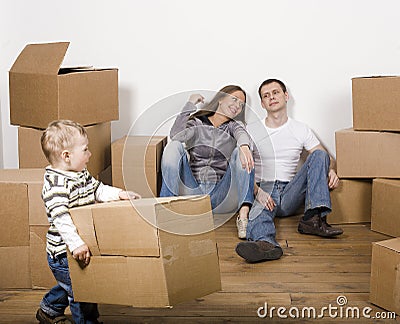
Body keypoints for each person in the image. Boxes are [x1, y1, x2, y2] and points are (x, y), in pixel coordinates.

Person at [36, 120, 141, 324]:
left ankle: (49, 308)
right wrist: (76, 244)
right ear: (67, 156)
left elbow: (98, 189)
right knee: (85, 291)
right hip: (64, 252)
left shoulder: (80, 174)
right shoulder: (56, 186)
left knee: (72, 284)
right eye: (85, 150)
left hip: (82, 244)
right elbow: (61, 219)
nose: (90, 154)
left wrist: (119, 194)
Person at [235, 79, 343, 263]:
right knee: (259, 214)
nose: (272, 98)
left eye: (275, 93)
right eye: (266, 96)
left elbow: (325, 157)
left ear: (286, 96)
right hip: (263, 189)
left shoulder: (300, 129)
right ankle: (265, 245)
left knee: (319, 156)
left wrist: (331, 170)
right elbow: (242, 166)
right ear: (262, 103)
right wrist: (256, 191)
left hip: (290, 192)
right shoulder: (252, 130)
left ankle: (313, 219)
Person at [160, 85, 254, 238]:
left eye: (241, 105)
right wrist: (190, 104)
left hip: (221, 195)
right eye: (234, 99)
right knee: (174, 146)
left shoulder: (234, 126)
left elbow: (242, 134)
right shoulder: (197, 123)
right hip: (192, 192)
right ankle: (165, 211)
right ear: (221, 99)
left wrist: (244, 146)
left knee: (243, 151)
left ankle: (243, 216)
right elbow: (176, 135)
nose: (237, 106)